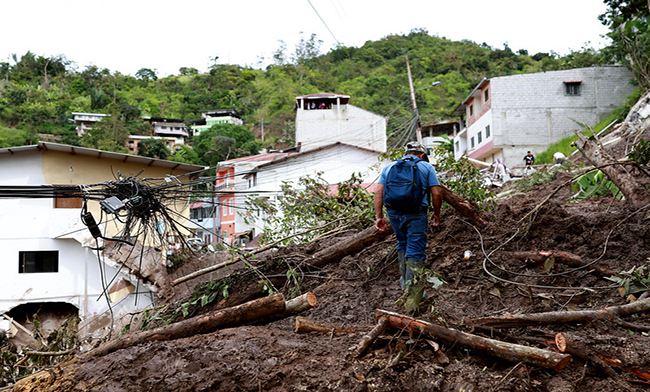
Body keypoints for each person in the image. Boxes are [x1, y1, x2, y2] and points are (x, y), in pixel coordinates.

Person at [374, 141, 443, 293]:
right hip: (416, 212)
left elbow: (379, 192)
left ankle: (405, 282)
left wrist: (379, 216)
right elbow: (436, 193)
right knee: (415, 249)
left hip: (393, 213)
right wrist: (436, 214)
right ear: (422, 155)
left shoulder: (389, 167)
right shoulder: (426, 167)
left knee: (402, 243)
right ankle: (413, 291)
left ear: (405, 153)